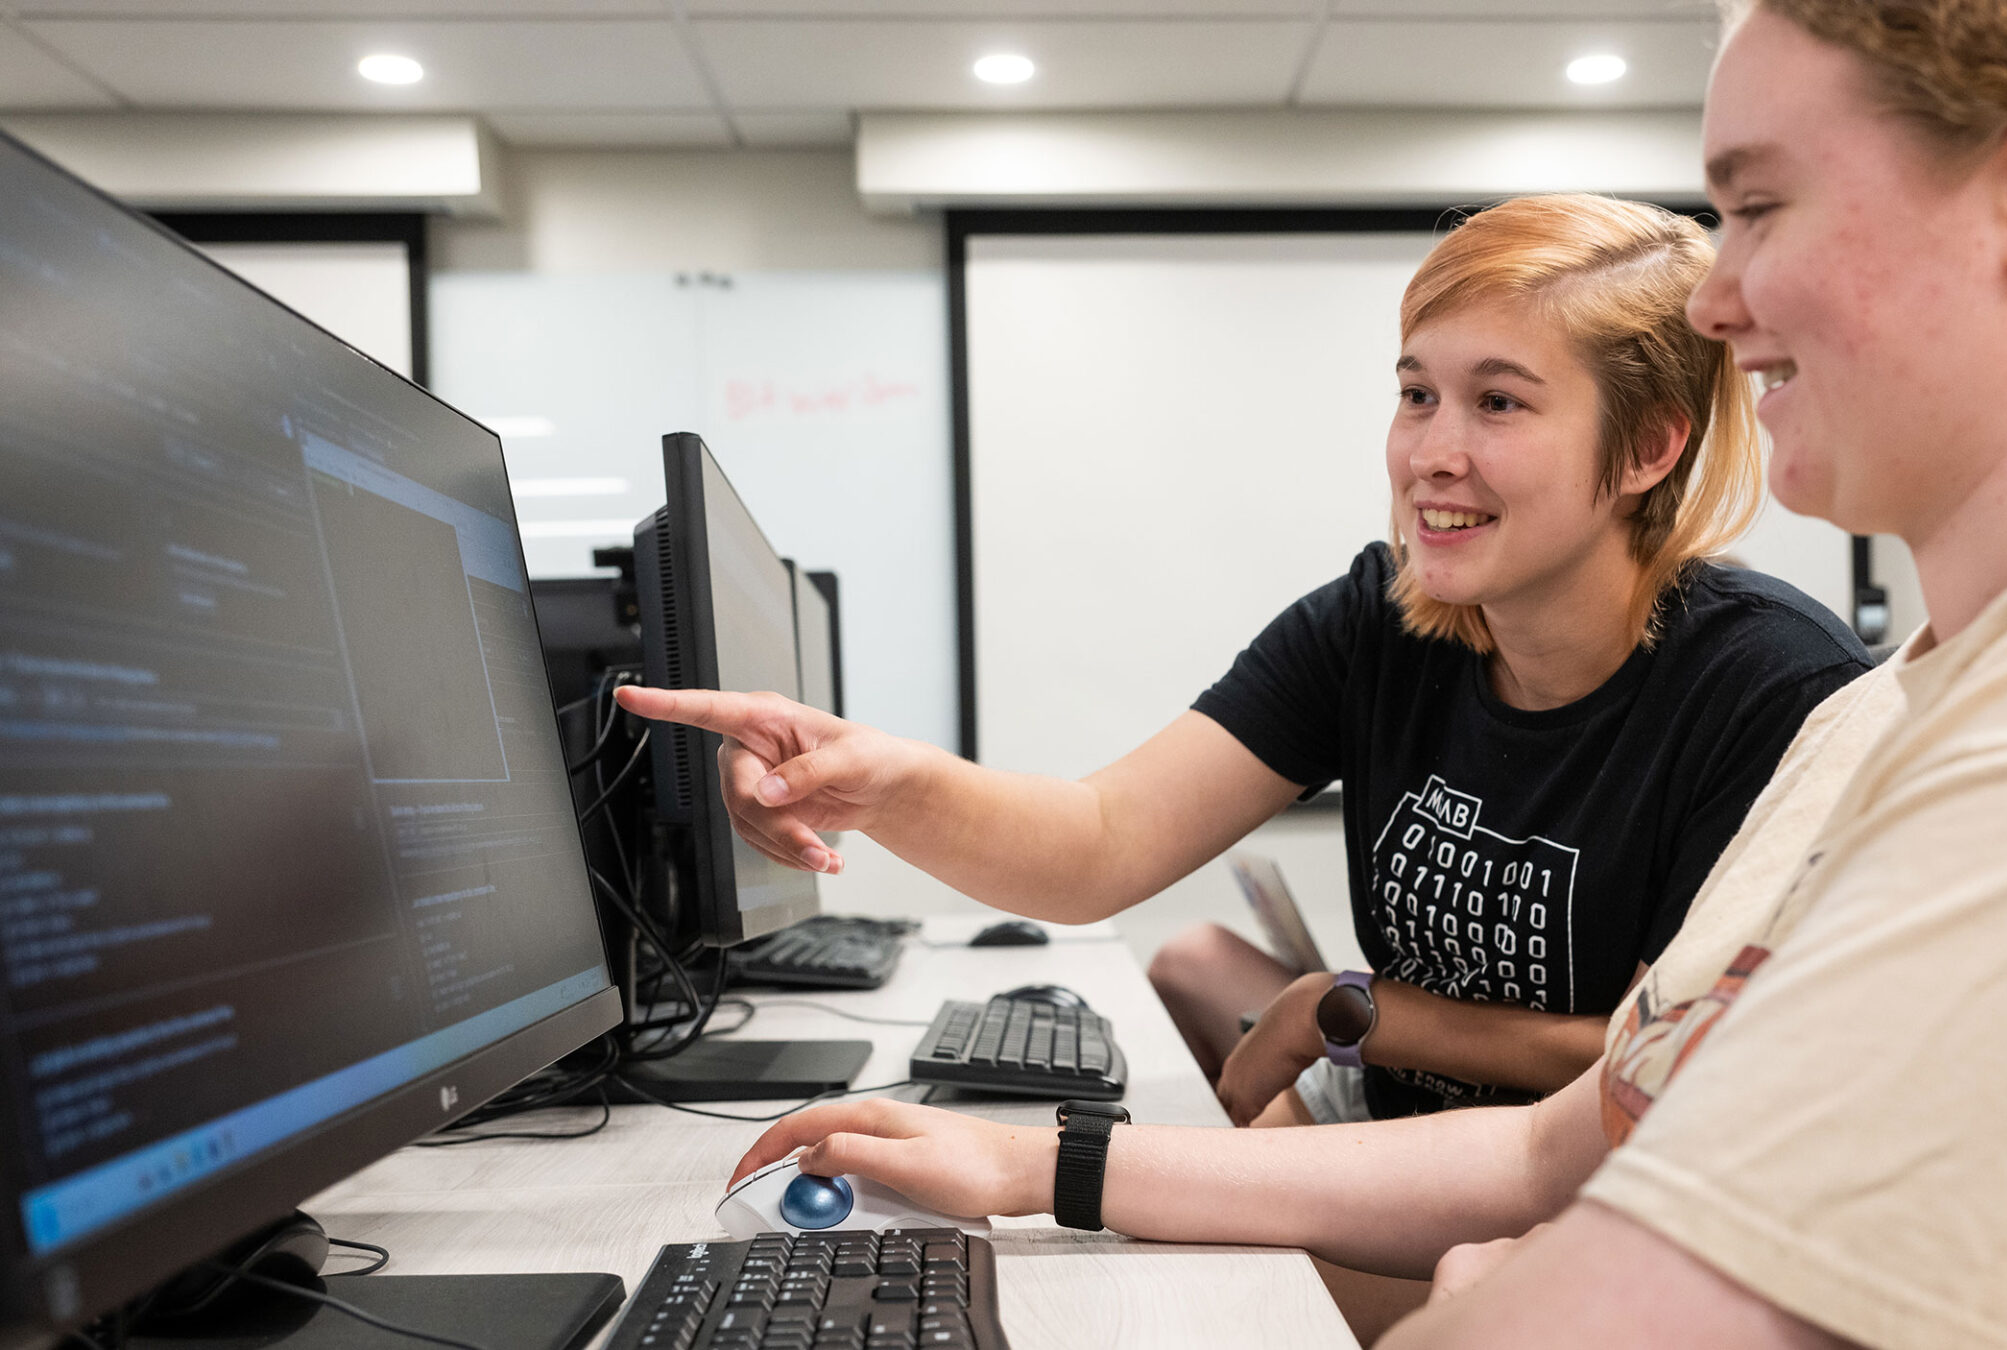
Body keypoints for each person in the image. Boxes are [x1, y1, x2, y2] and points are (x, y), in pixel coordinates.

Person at [696, 0, 2007, 1345]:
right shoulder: (1912, 703)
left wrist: (1491, 1294)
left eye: (1758, 206)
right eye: (1418, 391)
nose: (1721, 295)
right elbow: (1559, 1144)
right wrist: (1039, 1166)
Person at [621, 195, 1872, 1139]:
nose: (1431, 452)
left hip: (1575, 1208)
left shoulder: (1766, 690)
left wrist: (1364, 1009)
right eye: (1416, 394)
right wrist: (880, 781)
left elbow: (1649, 1069)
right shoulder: (1379, 620)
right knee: (1177, 992)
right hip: (1399, 1150)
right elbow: (1101, 838)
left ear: (1650, 446)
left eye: (1499, 404)